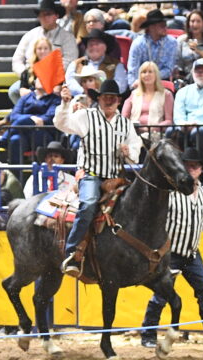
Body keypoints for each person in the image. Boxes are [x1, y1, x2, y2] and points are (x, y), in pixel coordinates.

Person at [140, 146, 203, 351]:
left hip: (191, 252)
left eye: (194, 167)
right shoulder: (171, 191)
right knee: (162, 293)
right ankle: (148, 333)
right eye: (187, 166)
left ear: (201, 170)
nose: (191, 170)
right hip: (170, 252)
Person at [53, 79, 143, 276]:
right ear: (99, 99)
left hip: (116, 177)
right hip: (91, 175)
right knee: (88, 204)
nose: (109, 101)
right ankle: (72, 251)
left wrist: (130, 151)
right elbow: (62, 123)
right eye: (105, 98)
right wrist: (65, 104)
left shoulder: (126, 124)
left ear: (119, 101)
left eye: (113, 98)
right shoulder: (86, 116)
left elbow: (136, 149)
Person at [12, 0, 77, 92]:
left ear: (56, 16)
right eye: (41, 15)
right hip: (31, 78)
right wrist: (26, 75)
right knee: (13, 91)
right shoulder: (30, 35)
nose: (44, 17)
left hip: (57, 80)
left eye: (48, 14)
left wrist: (49, 75)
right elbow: (17, 60)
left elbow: (70, 61)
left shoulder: (67, 37)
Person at [0, 75, 59, 163]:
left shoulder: (55, 99)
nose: (41, 81)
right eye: (39, 78)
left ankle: (3, 140)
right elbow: (14, 116)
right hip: (22, 132)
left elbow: (48, 118)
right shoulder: (25, 98)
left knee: (25, 120)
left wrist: (29, 119)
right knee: (15, 139)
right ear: (34, 82)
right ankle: (17, 174)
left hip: (42, 133)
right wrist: (31, 118)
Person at [122, 60, 174, 142]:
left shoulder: (166, 94)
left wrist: (151, 128)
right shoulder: (133, 94)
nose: (147, 75)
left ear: (156, 75)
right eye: (144, 72)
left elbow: (169, 121)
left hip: (156, 136)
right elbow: (124, 118)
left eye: (150, 72)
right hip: (134, 135)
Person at [126, 9, 176, 87]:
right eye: (162, 25)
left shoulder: (172, 42)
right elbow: (133, 70)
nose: (165, 28)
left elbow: (169, 69)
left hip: (161, 82)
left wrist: (151, 77)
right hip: (140, 83)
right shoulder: (138, 43)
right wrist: (134, 88)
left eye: (165, 25)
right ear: (151, 27)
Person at [67, 30, 123, 96]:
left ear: (105, 47)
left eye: (97, 44)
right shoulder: (76, 63)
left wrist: (101, 94)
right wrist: (83, 92)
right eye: (90, 44)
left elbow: (121, 85)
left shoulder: (116, 65)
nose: (93, 47)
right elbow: (69, 80)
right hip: (80, 99)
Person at [175, 9, 203, 74]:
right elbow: (178, 63)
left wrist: (198, 50)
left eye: (198, 21)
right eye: (192, 21)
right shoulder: (181, 40)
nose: (195, 24)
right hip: (186, 76)